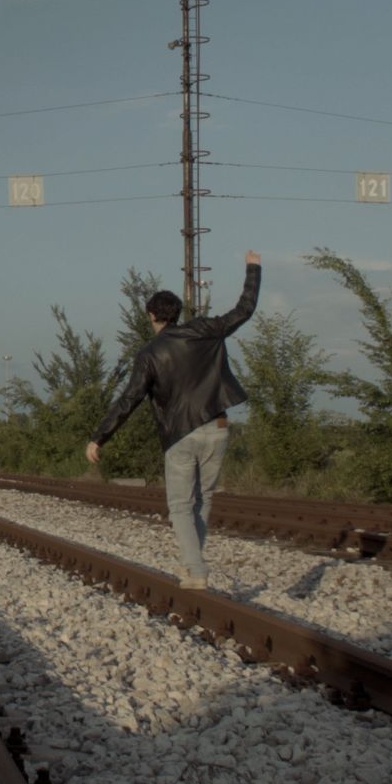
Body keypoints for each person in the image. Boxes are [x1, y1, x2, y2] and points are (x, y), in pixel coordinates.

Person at [86, 252, 261, 590]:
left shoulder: (150, 354)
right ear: (177, 313)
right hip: (218, 427)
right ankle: (191, 564)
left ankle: (196, 572)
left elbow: (129, 399)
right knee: (204, 499)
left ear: (152, 315)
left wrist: (100, 437)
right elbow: (244, 310)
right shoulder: (206, 330)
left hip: (181, 435)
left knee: (180, 506)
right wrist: (253, 269)